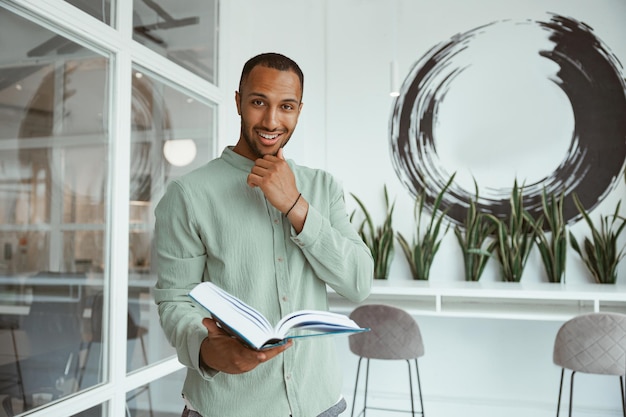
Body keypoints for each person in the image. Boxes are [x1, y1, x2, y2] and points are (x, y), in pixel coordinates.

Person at [154, 52, 374, 417]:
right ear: (239, 102)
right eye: (259, 102)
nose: (271, 120)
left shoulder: (322, 187)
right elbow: (176, 300)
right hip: (228, 407)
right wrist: (207, 350)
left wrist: (296, 206)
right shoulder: (189, 195)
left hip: (321, 404)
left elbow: (358, 282)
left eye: (286, 106)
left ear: (299, 110)